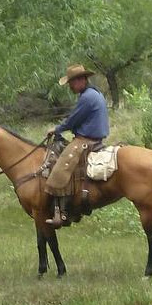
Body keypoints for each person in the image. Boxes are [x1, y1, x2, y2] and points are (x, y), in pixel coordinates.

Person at [44, 64, 109, 227]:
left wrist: (56, 129)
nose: (71, 87)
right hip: (94, 138)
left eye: (72, 83)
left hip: (86, 140)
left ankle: (62, 213)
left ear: (81, 80)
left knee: (60, 168)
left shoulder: (87, 97)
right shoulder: (94, 93)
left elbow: (74, 120)